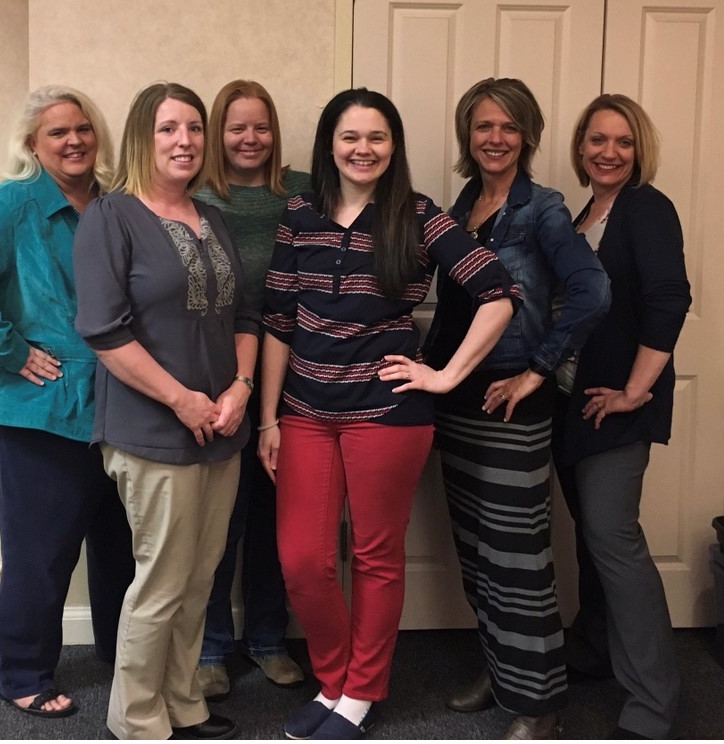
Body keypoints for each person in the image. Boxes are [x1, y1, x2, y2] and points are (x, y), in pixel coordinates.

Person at [258, 87, 521, 740]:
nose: (363, 149)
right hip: (305, 414)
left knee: (376, 556)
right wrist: (268, 419)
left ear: (393, 146)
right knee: (303, 560)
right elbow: (278, 323)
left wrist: (445, 374)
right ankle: (334, 677)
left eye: (377, 137)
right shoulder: (299, 215)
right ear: (329, 145)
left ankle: (359, 692)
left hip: (388, 416)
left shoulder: (419, 215)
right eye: (350, 136)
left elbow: (499, 291)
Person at [0, 85, 134, 717]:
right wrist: (7, 350)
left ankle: (117, 656)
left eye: (83, 129)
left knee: (120, 543)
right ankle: (20, 673)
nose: (74, 141)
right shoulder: (10, 203)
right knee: (41, 550)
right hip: (37, 410)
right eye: (58, 132)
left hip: (114, 403)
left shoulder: (112, 205)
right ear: (32, 146)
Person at [421, 78, 611, 739]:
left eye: (507, 127)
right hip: (459, 398)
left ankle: (537, 701)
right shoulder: (463, 205)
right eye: (482, 127)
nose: (494, 138)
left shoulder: (543, 211)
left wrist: (538, 370)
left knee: (518, 558)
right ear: (466, 137)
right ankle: (501, 671)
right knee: (476, 551)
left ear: (527, 135)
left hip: (511, 407)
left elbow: (592, 291)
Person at [73, 81, 259, 741]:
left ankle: (184, 704)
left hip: (222, 432)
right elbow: (103, 330)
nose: (184, 142)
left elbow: (244, 318)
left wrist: (239, 388)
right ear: (142, 139)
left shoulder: (215, 221)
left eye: (193, 129)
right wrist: (182, 400)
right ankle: (139, 721)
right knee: (161, 581)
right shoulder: (111, 217)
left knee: (200, 578)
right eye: (168, 129)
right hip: (152, 433)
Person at [552, 94, 691, 739]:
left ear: (640, 151)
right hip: (577, 405)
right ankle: (594, 648)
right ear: (581, 146)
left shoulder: (646, 209)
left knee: (614, 539)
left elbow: (668, 301)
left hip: (617, 407)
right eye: (597, 140)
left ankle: (653, 704)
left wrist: (636, 391)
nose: (609, 152)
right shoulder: (586, 213)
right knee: (592, 538)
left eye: (624, 142)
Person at [193, 80, 310, 700]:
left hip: (295, 379)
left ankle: (268, 639)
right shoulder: (193, 196)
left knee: (275, 518)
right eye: (236, 127)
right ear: (218, 133)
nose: (250, 139)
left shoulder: (303, 192)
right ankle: (211, 647)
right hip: (217, 381)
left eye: (260, 127)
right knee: (219, 521)